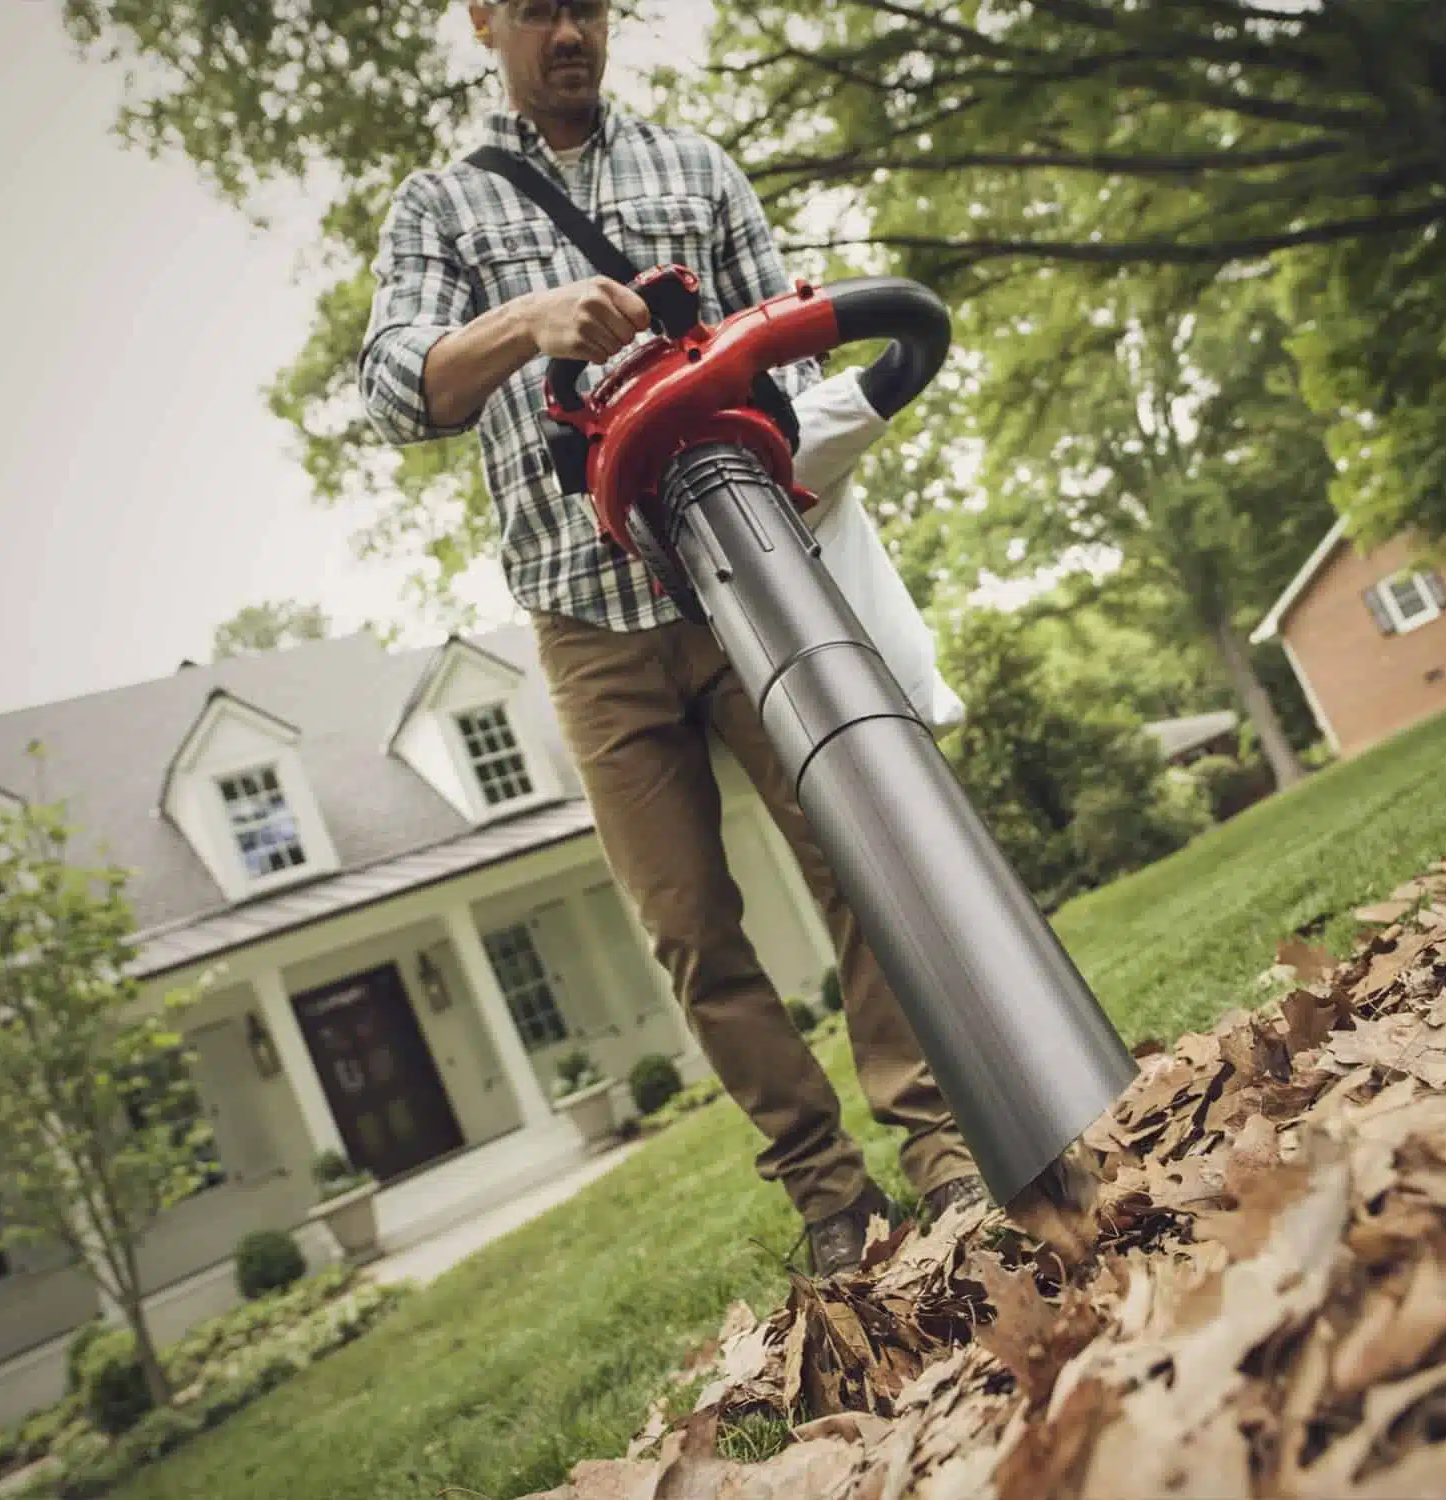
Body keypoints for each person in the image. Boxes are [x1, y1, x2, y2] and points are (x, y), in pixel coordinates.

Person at [358, 0, 987, 1274]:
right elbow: (395, 386)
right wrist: (527, 322)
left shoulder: (694, 169)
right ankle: (830, 1200)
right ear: (486, 22)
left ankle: (940, 1151)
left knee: (858, 852)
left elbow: (798, 360)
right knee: (690, 928)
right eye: (538, 10)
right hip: (585, 620)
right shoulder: (441, 206)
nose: (567, 32)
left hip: (742, 574)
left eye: (585, 8)